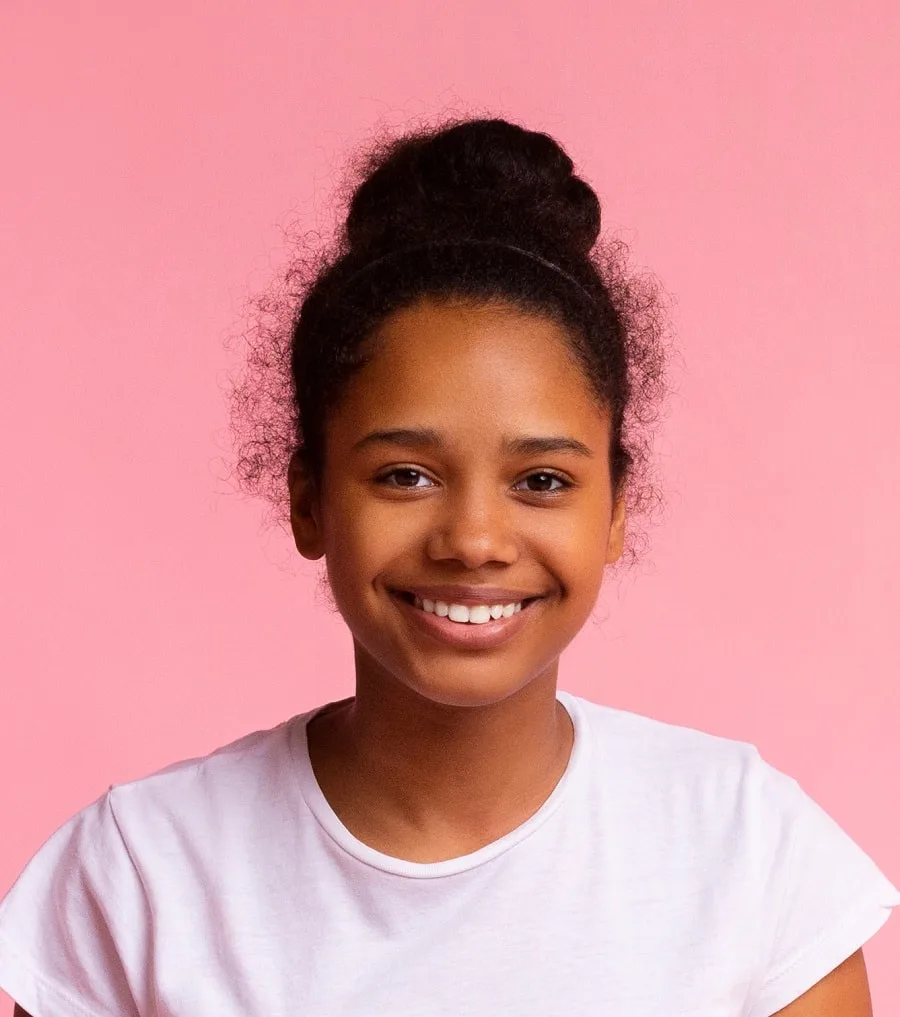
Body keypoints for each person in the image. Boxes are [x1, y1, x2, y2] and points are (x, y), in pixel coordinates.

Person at [0, 116, 897, 1017]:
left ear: (617, 508)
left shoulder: (751, 857)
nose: (473, 538)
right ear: (309, 500)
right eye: (405, 474)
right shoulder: (140, 876)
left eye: (541, 479)